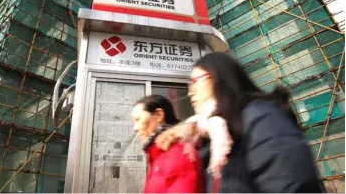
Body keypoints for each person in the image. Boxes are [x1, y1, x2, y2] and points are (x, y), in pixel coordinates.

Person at [156, 52, 324, 193]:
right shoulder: (213, 133)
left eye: (195, 82)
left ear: (217, 77)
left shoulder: (261, 117)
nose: (190, 93)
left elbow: (292, 185)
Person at [131, 94, 204, 193]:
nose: (135, 128)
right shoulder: (157, 156)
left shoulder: (180, 153)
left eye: (138, 119)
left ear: (159, 115)